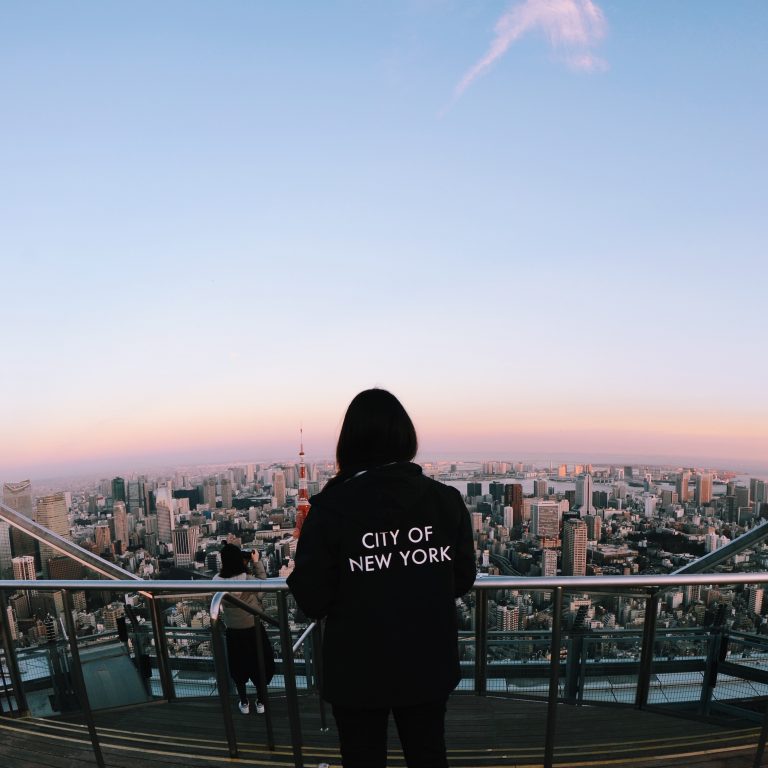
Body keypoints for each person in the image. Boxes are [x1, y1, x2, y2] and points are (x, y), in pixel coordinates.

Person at [287, 388, 476, 768]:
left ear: (349, 442)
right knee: (428, 756)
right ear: (406, 437)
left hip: (356, 667)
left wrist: (365, 582)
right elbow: (461, 578)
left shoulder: (330, 510)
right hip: (427, 659)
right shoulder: (444, 500)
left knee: (362, 759)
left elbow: (312, 599)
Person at [213, 543, 271, 715]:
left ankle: (244, 702)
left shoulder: (216, 581)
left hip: (233, 631)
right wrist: (256, 562)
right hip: (253, 628)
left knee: (238, 666)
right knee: (259, 664)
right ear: (240, 560)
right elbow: (263, 588)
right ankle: (261, 702)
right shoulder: (248, 579)